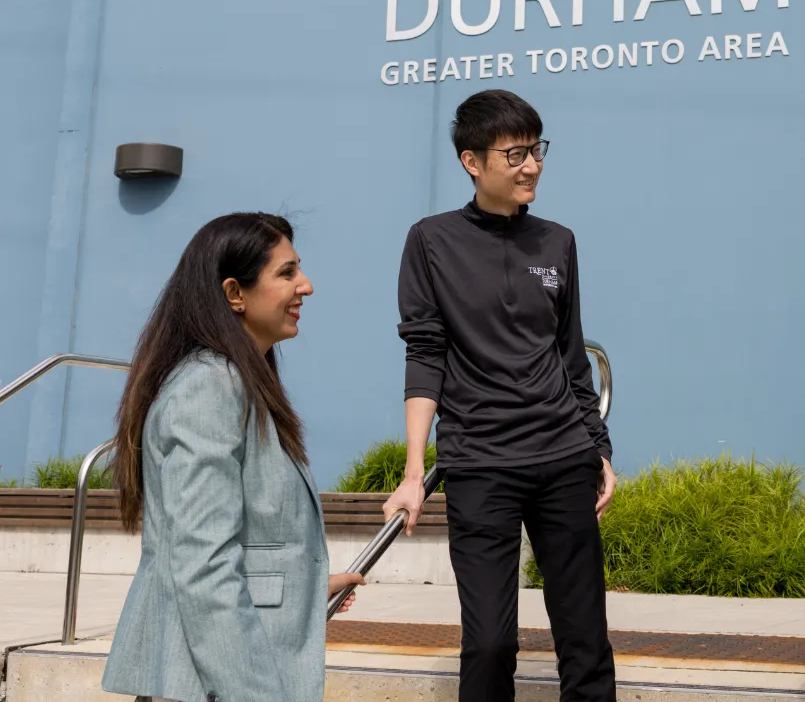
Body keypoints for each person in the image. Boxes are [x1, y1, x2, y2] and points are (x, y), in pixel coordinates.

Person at [383, 89, 617, 702]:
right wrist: (413, 470)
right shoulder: (431, 241)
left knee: (584, 637)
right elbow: (425, 354)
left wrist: (599, 448)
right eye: (515, 154)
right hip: (480, 463)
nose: (532, 165)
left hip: (564, 458)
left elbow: (570, 356)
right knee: (489, 642)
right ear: (472, 162)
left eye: (537, 150)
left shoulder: (558, 241)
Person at [101, 213, 365, 702]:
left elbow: (236, 538)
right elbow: (202, 564)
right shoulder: (208, 387)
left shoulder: (237, 383)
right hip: (216, 680)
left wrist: (303, 583)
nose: (305, 286)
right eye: (285, 273)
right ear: (234, 294)